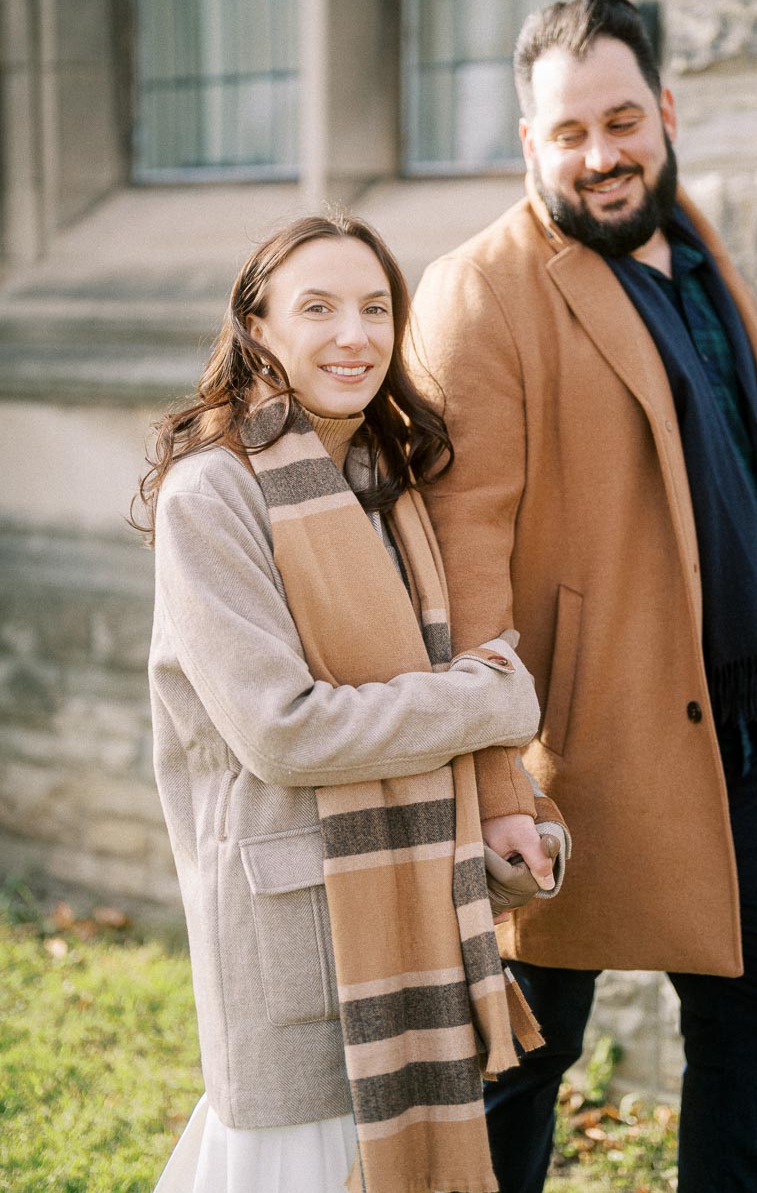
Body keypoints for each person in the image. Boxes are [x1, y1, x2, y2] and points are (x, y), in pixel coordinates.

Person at [409, 0, 757, 1193]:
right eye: (567, 133)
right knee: (523, 1054)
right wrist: (494, 781)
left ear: (664, 110)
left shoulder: (696, 255)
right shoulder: (480, 291)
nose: (600, 157)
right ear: (526, 141)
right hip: (566, 763)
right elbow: (462, 562)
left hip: (734, 739)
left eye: (620, 121)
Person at [134, 212, 568, 1193]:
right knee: (278, 1167)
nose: (354, 335)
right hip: (292, 936)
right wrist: (489, 703)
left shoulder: (387, 489)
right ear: (258, 328)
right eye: (318, 307)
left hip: (402, 917)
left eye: (376, 308)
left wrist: (505, 816)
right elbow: (282, 731)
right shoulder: (213, 495)